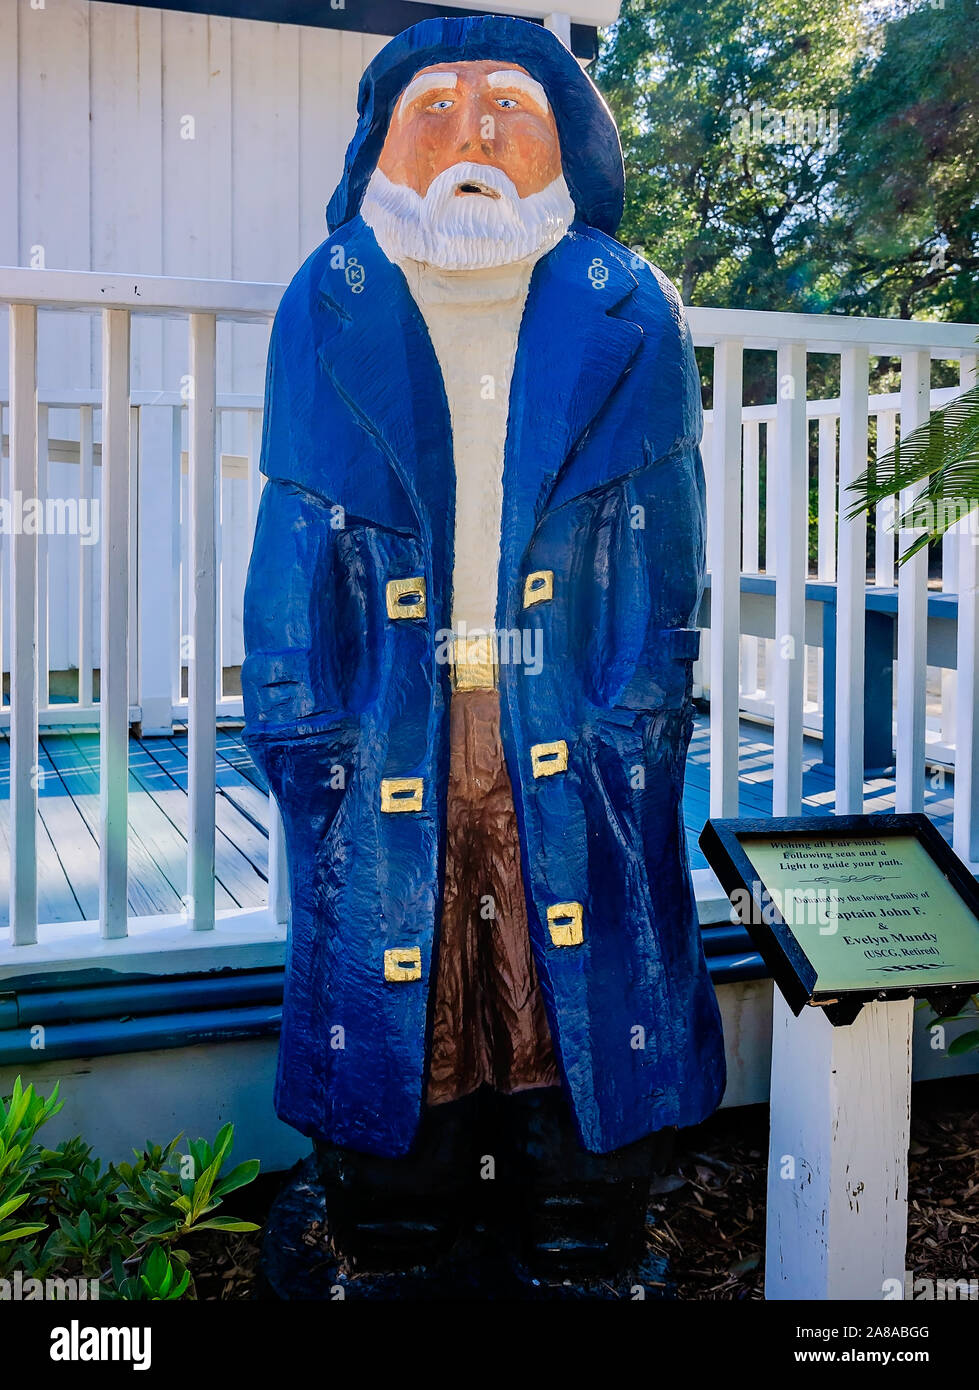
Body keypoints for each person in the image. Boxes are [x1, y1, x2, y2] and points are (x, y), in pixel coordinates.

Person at [242, 13, 725, 1281]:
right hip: (391, 709)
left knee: (564, 961)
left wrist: (641, 709)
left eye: (507, 107)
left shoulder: (629, 308)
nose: (472, 137)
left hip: (566, 706)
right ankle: (393, 1207)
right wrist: (296, 708)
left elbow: (665, 538)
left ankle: (582, 1209)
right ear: (382, 147)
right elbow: (294, 529)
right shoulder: (327, 299)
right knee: (407, 951)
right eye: (436, 110)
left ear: (566, 139)